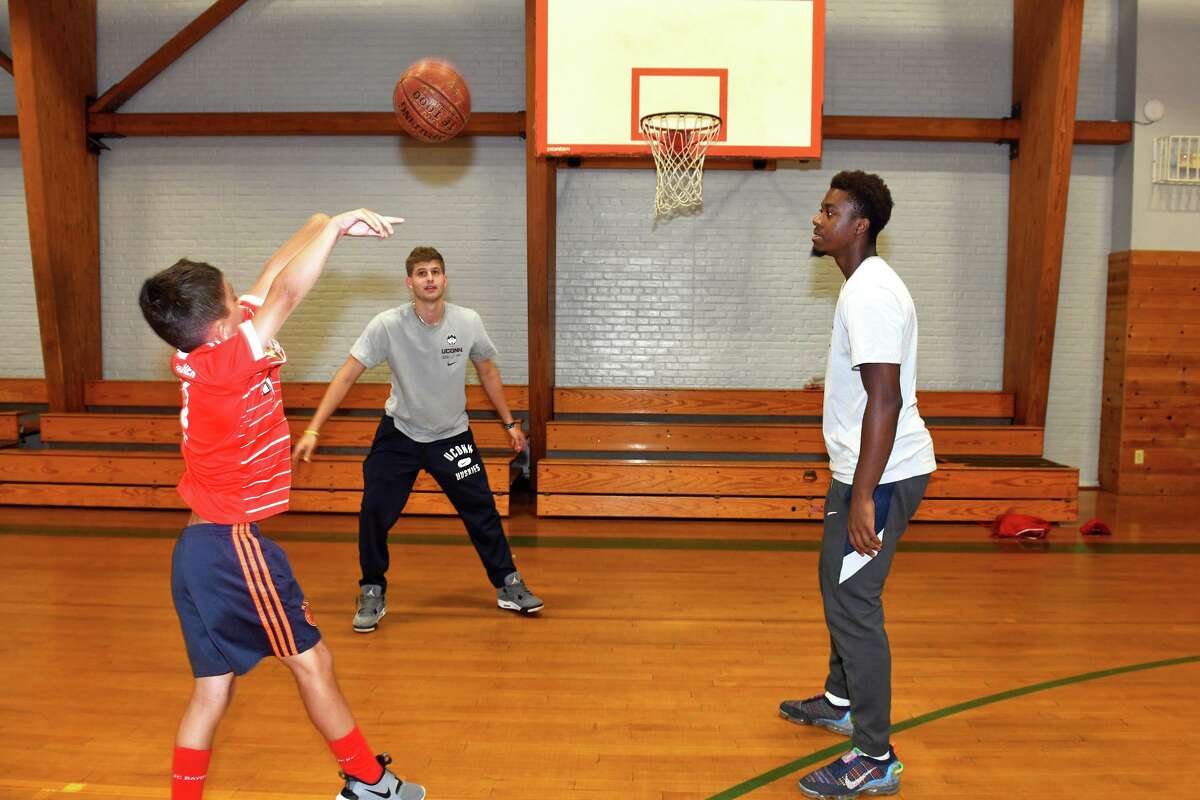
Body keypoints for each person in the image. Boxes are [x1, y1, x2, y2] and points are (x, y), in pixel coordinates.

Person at [138, 209, 425, 800]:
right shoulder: (226, 365)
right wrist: (335, 227)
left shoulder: (206, 346)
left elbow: (271, 275)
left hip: (196, 550)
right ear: (219, 329)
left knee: (212, 691)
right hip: (231, 546)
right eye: (230, 298)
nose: (242, 298)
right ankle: (368, 782)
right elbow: (290, 290)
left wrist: (325, 220)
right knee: (312, 663)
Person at [779, 171, 936, 799]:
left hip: (885, 476)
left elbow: (886, 398)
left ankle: (874, 756)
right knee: (836, 583)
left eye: (829, 211)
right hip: (869, 469)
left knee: (854, 605)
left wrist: (865, 495)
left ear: (859, 224)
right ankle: (840, 698)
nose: (817, 220)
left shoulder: (869, 292)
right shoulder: (864, 286)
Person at [293, 245, 542, 633]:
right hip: (401, 434)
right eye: (422, 273)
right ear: (409, 283)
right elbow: (346, 374)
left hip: (452, 434)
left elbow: (488, 373)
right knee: (375, 512)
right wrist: (313, 428)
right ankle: (372, 588)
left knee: (483, 513)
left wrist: (510, 424)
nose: (430, 278)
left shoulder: (468, 321)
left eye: (436, 271)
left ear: (445, 279)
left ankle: (508, 583)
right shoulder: (386, 324)